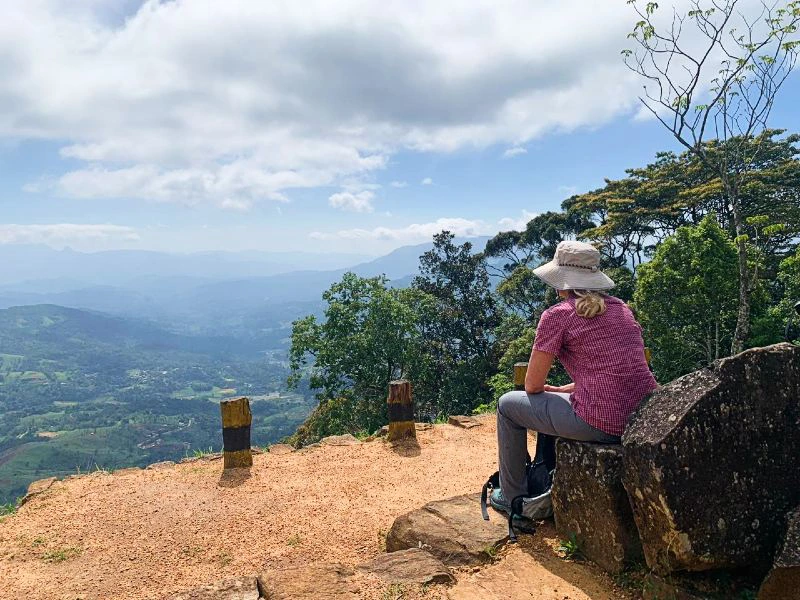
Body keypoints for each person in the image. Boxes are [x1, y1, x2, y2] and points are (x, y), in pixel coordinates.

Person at [490, 240, 657, 514]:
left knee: (507, 405)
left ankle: (514, 499)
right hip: (640, 414)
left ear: (562, 281)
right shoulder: (622, 309)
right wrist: (562, 390)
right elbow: (611, 374)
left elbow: (532, 385)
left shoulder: (559, 316)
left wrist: (550, 391)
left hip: (602, 422)